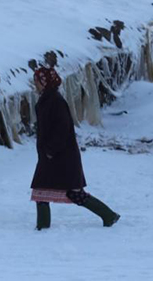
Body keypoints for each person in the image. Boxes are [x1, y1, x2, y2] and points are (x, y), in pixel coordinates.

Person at [30, 66, 120, 230]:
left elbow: (62, 128)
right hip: (54, 155)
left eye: (36, 80)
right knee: (42, 191)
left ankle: (109, 215)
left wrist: (50, 150)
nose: (34, 84)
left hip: (60, 156)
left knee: (73, 193)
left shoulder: (54, 101)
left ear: (44, 82)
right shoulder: (48, 99)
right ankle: (42, 226)